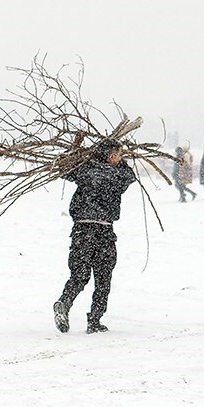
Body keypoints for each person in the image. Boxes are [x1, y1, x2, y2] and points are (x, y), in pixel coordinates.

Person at [53, 138, 136, 334]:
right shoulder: (117, 174)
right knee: (103, 277)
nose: (121, 158)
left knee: (80, 275)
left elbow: (63, 168)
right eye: (119, 155)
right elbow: (131, 177)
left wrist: (81, 155)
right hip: (104, 232)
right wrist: (118, 162)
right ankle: (95, 320)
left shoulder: (85, 169)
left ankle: (64, 303)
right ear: (112, 156)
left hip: (82, 230)